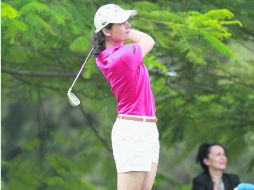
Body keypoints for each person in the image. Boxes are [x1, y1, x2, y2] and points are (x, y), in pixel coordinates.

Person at [93, 4, 160, 190]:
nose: (128, 26)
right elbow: (148, 40)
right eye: (122, 23)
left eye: (127, 22)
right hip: (133, 131)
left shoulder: (113, 54)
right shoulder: (122, 56)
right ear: (106, 30)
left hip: (147, 128)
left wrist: (122, 30)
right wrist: (129, 33)